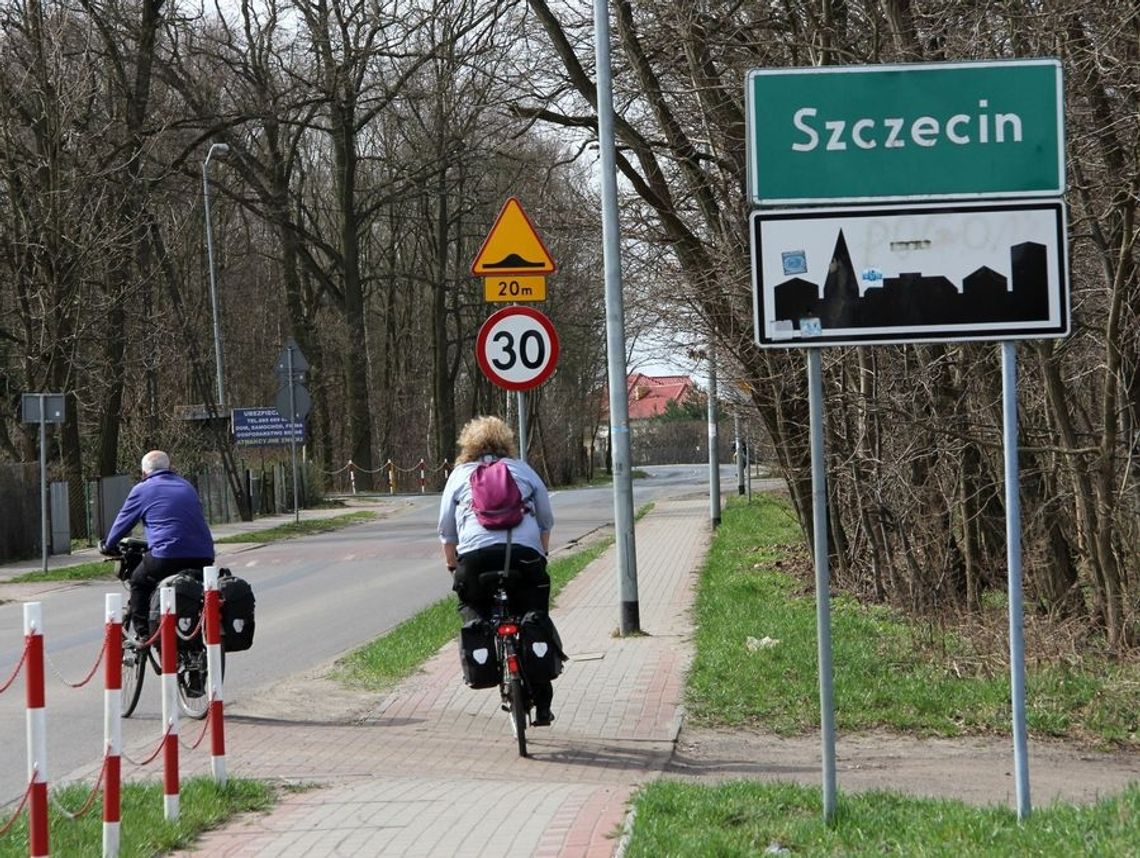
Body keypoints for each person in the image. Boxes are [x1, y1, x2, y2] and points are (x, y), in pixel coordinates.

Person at [438, 416, 557, 725]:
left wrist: (453, 566)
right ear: (506, 443)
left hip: (475, 559)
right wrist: (541, 554)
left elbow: (447, 530)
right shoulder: (522, 470)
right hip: (524, 556)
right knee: (534, 616)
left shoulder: (459, 475)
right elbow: (546, 518)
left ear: (468, 446)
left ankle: (483, 649)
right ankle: (543, 703)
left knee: (470, 603)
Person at [100, 450, 215, 645]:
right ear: (170, 468)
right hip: (203, 555)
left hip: (166, 555)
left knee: (138, 581)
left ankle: (144, 634)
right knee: (196, 592)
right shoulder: (186, 486)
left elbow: (123, 522)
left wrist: (108, 544)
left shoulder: (142, 489)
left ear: (143, 473)